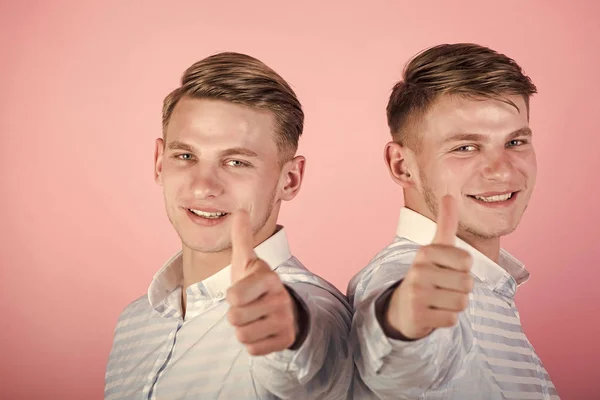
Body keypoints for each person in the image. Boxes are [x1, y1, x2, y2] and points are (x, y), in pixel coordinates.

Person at [105, 52, 352, 400]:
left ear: (290, 179)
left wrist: (290, 332)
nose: (203, 186)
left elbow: (302, 355)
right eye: (186, 156)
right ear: (159, 163)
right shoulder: (134, 322)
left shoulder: (313, 309)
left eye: (236, 162)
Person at [349, 43, 559, 399]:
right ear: (402, 166)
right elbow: (399, 361)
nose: (501, 170)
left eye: (515, 141)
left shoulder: (487, 287)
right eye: (465, 147)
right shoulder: (404, 275)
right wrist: (405, 326)